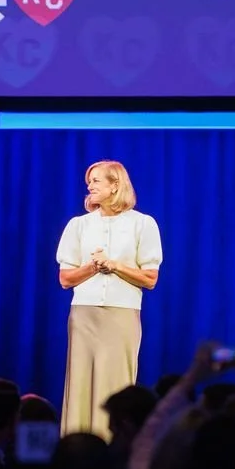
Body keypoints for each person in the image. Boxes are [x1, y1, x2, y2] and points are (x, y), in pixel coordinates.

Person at [55, 160, 163, 440]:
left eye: (96, 181)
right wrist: (93, 267)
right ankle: (77, 446)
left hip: (122, 313)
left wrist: (114, 265)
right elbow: (65, 278)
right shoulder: (79, 225)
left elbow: (150, 278)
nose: (89, 186)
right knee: (80, 381)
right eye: (89, 181)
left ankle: (115, 445)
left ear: (115, 185)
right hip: (84, 315)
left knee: (116, 380)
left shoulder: (143, 224)